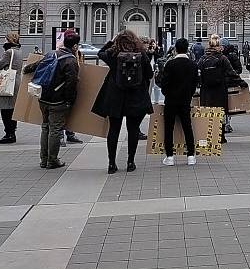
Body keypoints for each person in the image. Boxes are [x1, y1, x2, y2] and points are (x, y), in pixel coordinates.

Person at [94, 30, 153, 174]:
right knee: (133, 130)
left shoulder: (113, 55)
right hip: (136, 97)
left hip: (115, 98)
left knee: (113, 130)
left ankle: (112, 164)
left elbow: (99, 53)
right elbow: (150, 74)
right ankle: (130, 162)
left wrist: (111, 42)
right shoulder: (141, 55)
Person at [23, 30, 80, 168]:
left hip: (43, 97)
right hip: (58, 101)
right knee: (55, 130)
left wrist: (26, 69)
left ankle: (44, 159)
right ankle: (52, 160)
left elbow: (36, 66)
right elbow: (71, 83)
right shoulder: (70, 60)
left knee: (45, 127)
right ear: (75, 46)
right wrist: (69, 101)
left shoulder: (51, 53)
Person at [160, 38, 199, 166]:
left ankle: (170, 156)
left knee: (169, 128)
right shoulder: (193, 65)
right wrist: (188, 95)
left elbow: (164, 84)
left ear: (175, 49)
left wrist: (168, 94)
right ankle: (191, 155)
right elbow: (195, 84)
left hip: (171, 101)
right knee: (187, 127)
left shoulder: (170, 64)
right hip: (185, 101)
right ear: (187, 49)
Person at [198, 34, 239, 143]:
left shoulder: (203, 58)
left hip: (206, 90)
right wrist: (241, 83)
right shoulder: (222, 58)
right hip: (220, 90)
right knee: (220, 113)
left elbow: (197, 74)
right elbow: (231, 72)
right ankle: (220, 137)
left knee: (208, 112)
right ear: (218, 46)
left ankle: (209, 136)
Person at [0, 32, 23, 144]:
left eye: (5, 39)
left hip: (7, 82)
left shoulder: (9, 52)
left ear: (9, 40)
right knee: (12, 109)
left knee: (5, 109)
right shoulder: (19, 51)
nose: (4, 41)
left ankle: (9, 134)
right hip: (16, 81)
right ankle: (12, 132)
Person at [222, 43, 243, 133]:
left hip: (228, 83)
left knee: (227, 104)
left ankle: (227, 123)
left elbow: (238, 69)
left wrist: (231, 74)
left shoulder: (228, 56)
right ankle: (226, 123)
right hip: (228, 82)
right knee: (227, 104)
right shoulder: (224, 56)